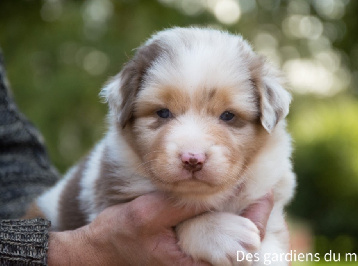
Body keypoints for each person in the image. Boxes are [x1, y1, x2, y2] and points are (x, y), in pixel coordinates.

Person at [0, 50, 274, 265]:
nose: (194, 154)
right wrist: (194, 230)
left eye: (227, 116)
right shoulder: (121, 170)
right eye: (163, 113)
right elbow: (121, 231)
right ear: (124, 110)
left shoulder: (268, 168)